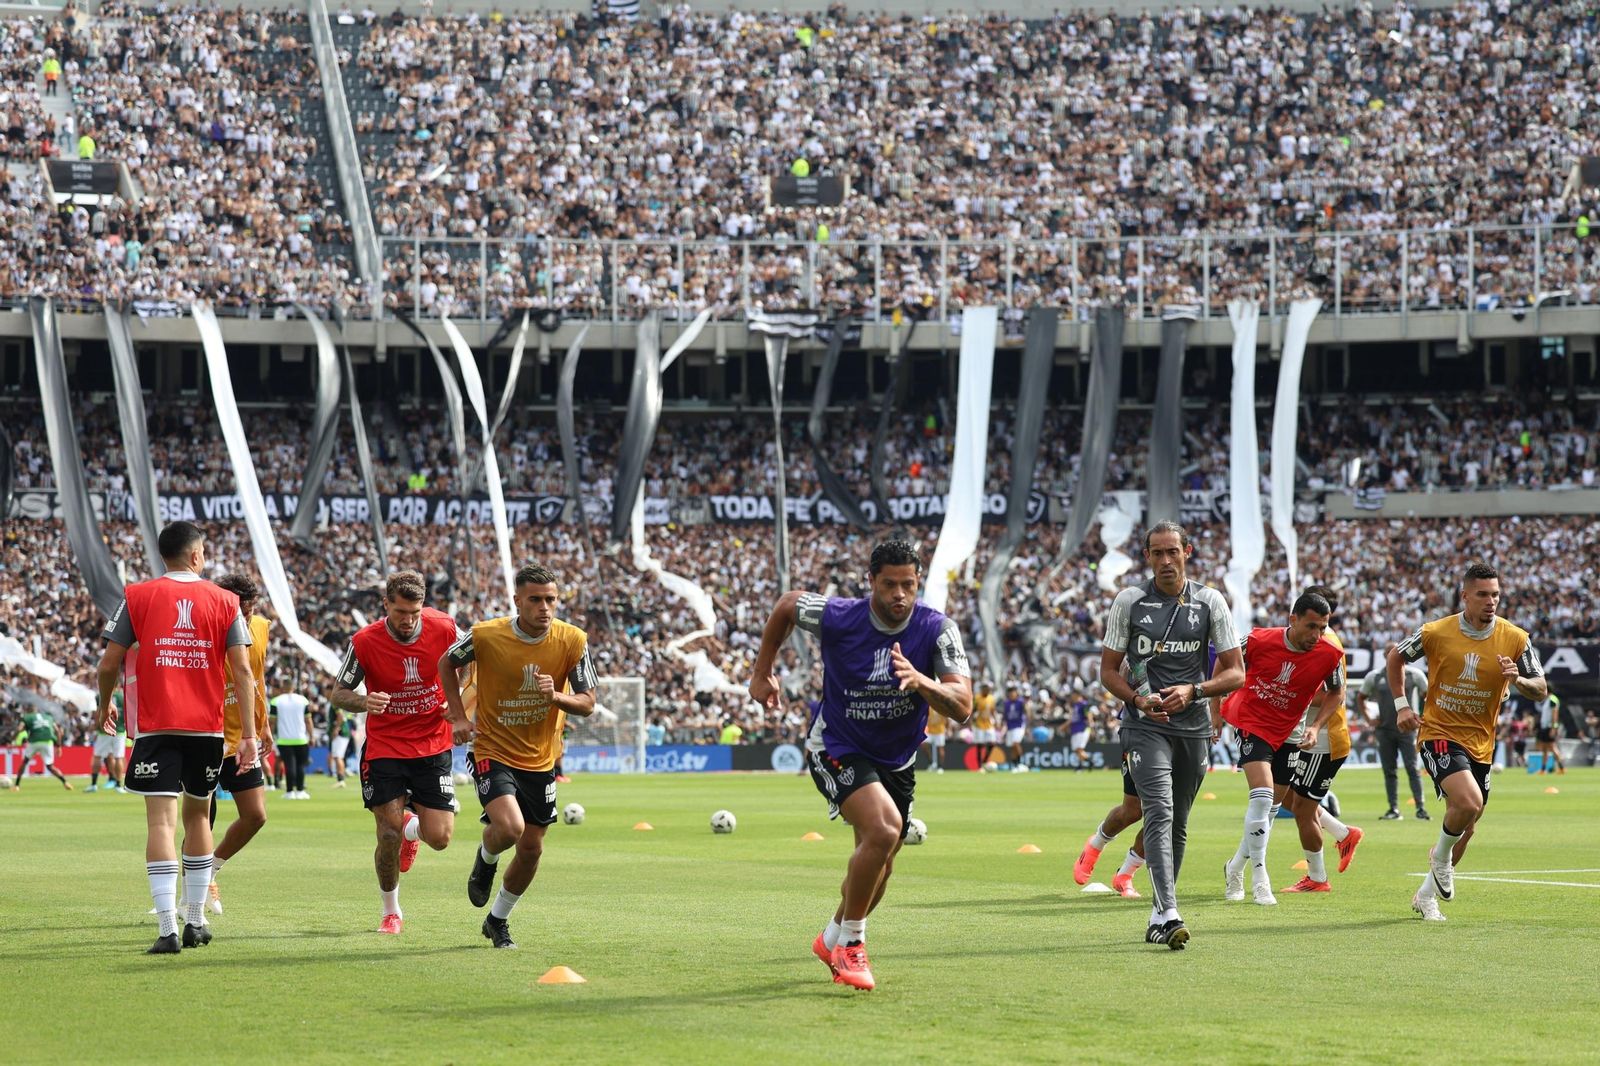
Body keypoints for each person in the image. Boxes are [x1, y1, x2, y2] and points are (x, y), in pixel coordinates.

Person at [749, 538, 973, 991]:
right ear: (870, 581)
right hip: (836, 744)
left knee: (883, 865)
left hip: (898, 758)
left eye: (908, 585)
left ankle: (831, 936)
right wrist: (762, 670)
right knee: (885, 828)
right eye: (889, 584)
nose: (899, 595)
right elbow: (788, 605)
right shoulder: (838, 615)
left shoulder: (937, 629)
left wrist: (921, 681)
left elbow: (963, 705)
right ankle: (851, 944)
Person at [95, 521, 258, 953]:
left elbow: (109, 663)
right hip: (205, 728)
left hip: (155, 725)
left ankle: (167, 928)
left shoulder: (137, 596)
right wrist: (251, 735)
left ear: (163, 556)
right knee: (197, 818)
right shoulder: (226, 601)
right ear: (197, 556)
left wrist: (104, 704)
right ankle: (196, 920)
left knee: (160, 823)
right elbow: (242, 671)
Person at [1100, 521, 1244, 949]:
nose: (1165, 561)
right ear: (1147, 557)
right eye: (1157, 553)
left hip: (1194, 725)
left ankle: (1157, 915)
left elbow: (1236, 671)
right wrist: (1138, 700)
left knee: (1178, 823)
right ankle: (1170, 912)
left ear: (1188, 552)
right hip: (1144, 725)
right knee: (1159, 811)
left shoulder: (1210, 601)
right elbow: (1108, 671)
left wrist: (1195, 690)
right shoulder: (1129, 601)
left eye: (1172, 552)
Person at [440, 563, 597, 950]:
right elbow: (447, 662)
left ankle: (497, 920)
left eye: (551, 600)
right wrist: (458, 715)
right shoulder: (485, 635)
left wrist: (556, 697)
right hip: (491, 747)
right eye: (535, 600)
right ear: (517, 601)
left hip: (541, 760)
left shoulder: (573, 640)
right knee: (509, 829)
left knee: (532, 848)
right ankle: (486, 858)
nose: (545, 608)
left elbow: (588, 702)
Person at [1389, 561, 1547, 922]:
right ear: (1465, 596)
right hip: (1439, 733)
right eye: (1482, 594)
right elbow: (1396, 657)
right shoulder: (1435, 632)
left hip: (1481, 743)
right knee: (1468, 801)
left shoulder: (1516, 639)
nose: (1491, 601)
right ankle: (1440, 858)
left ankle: (1426, 895)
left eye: (1495, 594)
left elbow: (1541, 688)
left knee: (1468, 823)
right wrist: (1401, 706)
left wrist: (1518, 681)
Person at [330, 569, 459, 934]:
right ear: (386, 604)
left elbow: (471, 663)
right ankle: (391, 911)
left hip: (432, 743)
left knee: (441, 838)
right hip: (385, 746)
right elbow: (338, 693)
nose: (408, 620)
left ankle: (412, 829)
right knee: (386, 834)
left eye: (415, 613)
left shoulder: (446, 628)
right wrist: (364, 700)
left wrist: (459, 699)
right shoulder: (364, 641)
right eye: (401, 612)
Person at [1216, 591, 1345, 907]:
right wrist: (1214, 712)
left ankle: (1234, 868)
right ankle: (1260, 879)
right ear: (1293, 619)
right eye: (1311, 626)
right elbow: (1223, 664)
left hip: (1291, 733)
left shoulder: (1329, 654)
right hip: (1252, 722)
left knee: (1269, 810)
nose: (1316, 635)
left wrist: (1315, 727)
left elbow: (1337, 692)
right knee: (1261, 797)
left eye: (1323, 628)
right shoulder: (1258, 640)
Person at [1280, 584, 1364, 894]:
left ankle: (1317, 878)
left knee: (1301, 809)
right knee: (1285, 795)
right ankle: (1343, 833)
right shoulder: (1315, 640)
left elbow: (1330, 695)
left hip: (1325, 738)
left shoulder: (1325, 644)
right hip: (1309, 735)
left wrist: (1284, 692)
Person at [205, 574, 274, 917]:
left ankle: (211, 869)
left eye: (249, 611)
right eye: (238, 611)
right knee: (202, 820)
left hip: (244, 737)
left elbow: (257, 676)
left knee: (256, 815)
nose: (244, 619)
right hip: (206, 734)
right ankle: (193, 893)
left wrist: (264, 723)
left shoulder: (260, 627)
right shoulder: (204, 628)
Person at [1361, 661, 1429, 819]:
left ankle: (1420, 808)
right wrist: (1369, 719)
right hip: (1384, 730)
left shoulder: (1414, 674)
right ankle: (1393, 809)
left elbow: (1428, 694)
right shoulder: (1375, 676)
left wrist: (1421, 715)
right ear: (1385, 656)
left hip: (1407, 730)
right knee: (1389, 770)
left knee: (1412, 768)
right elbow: (1361, 697)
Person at [13, 707, 71, 790]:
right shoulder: (48, 717)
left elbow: (19, 729)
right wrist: (58, 746)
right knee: (50, 766)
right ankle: (65, 782)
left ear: (28, 711)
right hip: (48, 741)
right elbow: (58, 731)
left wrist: (12, 737)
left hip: (34, 741)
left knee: (25, 762)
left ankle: (16, 785)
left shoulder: (26, 717)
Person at [270, 687, 313, 799]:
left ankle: (289, 792)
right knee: (300, 765)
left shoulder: (275, 701)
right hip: (301, 739)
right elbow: (308, 720)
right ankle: (300, 791)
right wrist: (312, 736)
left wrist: (270, 736)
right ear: (293, 688)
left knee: (289, 766)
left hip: (284, 740)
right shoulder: (303, 700)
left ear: (282, 687)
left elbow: (272, 722)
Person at [87, 687, 127, 793]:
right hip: (119, 730)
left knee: (97, 756)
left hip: (104, 730)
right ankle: (118, 785)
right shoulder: (123, 696)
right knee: (119, 757)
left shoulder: (101, 696)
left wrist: (95, 726)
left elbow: (98, 712)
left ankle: (93, 784)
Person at [1533, 694, 1565, 774]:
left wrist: (1554, 728)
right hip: (1545, 727)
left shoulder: (1552, 699)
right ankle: (1543, 769)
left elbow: (1555, 713)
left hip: (1549, 727)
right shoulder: (1547, 700)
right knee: (1544, 749)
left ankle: (1562, 767)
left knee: (1552, 747)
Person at [970, 682, 998, 770]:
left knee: (992, 744)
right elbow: (973, 710)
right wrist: (971, 720)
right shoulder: (977, 698)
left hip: (989, 724)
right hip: (979, 724)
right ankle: (979, 766)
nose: (986, 690)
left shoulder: (991, 698)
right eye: (984, 688)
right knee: (980, 745)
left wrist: (996, 720)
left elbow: (993, 710)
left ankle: (985, 761)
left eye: (987, 688)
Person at [1001, 684, 1028, 772]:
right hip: (1010, 727)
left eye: (1014, 693)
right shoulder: (1006, 703)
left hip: (1019, 726)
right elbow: (1005, 715)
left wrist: (1027, 725)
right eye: (1010, 693)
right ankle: (1014, 765)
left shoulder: (1020, 702)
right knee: (1012, 747)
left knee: (1016, 743)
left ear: (1016, 693)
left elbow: (1026, 712)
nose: (1012, 694)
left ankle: (1020, 763)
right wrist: (1002, 724)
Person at [328, 707, 353, 787]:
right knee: (338, 756)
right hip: (343, 733)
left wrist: (336, 729)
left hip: (341, 733)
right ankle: (340, 779)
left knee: (338, 756)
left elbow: (340, 716)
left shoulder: (335, 703)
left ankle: (341, 780)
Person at [920, 700, 947, 772]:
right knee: (923, 744)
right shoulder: (929, 707)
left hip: (940, 731)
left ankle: (940, 767)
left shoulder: (941, 708)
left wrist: (948, 729)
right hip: (930, 730)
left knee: (940, 749)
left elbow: (946, 719)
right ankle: (932, 763)